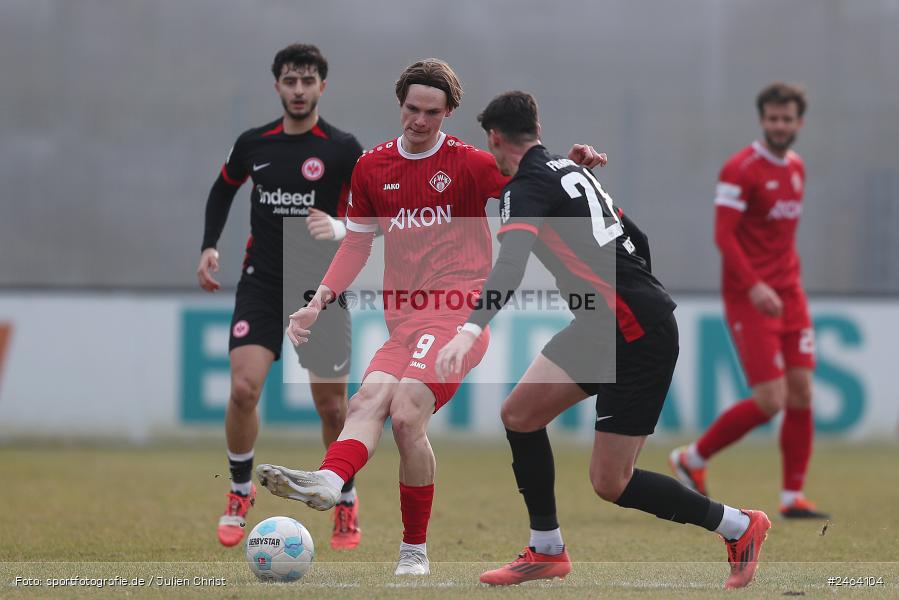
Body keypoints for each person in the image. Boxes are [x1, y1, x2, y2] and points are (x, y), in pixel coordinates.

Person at [254, 59, 606, 575]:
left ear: (449, 112)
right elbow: (356, 243)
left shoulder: (470, 163)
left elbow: (531, 174)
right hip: (406, 321)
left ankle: (413, 551)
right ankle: (330, 482)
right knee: (367, 400)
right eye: (412, 109)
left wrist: (571, 165)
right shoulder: (372, 167)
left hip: (460, 316)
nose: (419, 121)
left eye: (432, 112)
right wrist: (317, 300)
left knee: (405, 412)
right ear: (400, 104)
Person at [435, 91, 770, 589]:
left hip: (633, 333)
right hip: (608, 324)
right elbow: (639, 238)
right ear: (537, 127)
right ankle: (546, 549)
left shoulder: (525, 186)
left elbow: (511, 264)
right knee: (519, 416)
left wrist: (469, 328)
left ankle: (739, 526)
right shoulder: (572, 171)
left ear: (495, 138)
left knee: (610, 483)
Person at [197, 43, 365, 549]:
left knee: (333, 409)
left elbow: (370, 213)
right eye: (290, 81)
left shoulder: (342, 148)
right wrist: (209, 246)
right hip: (262, 284)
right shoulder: (255, 144)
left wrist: (336, 226)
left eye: (307, 81)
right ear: (277, 86)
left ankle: (345, 497)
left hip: (322, 290)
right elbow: (222, 188)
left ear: (321, 87)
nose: (298, 90)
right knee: (244, 389)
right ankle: (240, 491)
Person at [668, 82, 828, 519]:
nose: (779, 125)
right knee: (770, 399)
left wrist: (783, 284)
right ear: (763, 120)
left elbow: (779, 239)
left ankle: (793, 496)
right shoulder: (740, 169)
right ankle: (692, 457)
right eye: (772, 118)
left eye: (786, 119)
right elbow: (724, 236)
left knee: (802, 392)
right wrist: (756, 286)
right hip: (749, 298)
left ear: (799, 122)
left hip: (790, 295)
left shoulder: (797, 167)